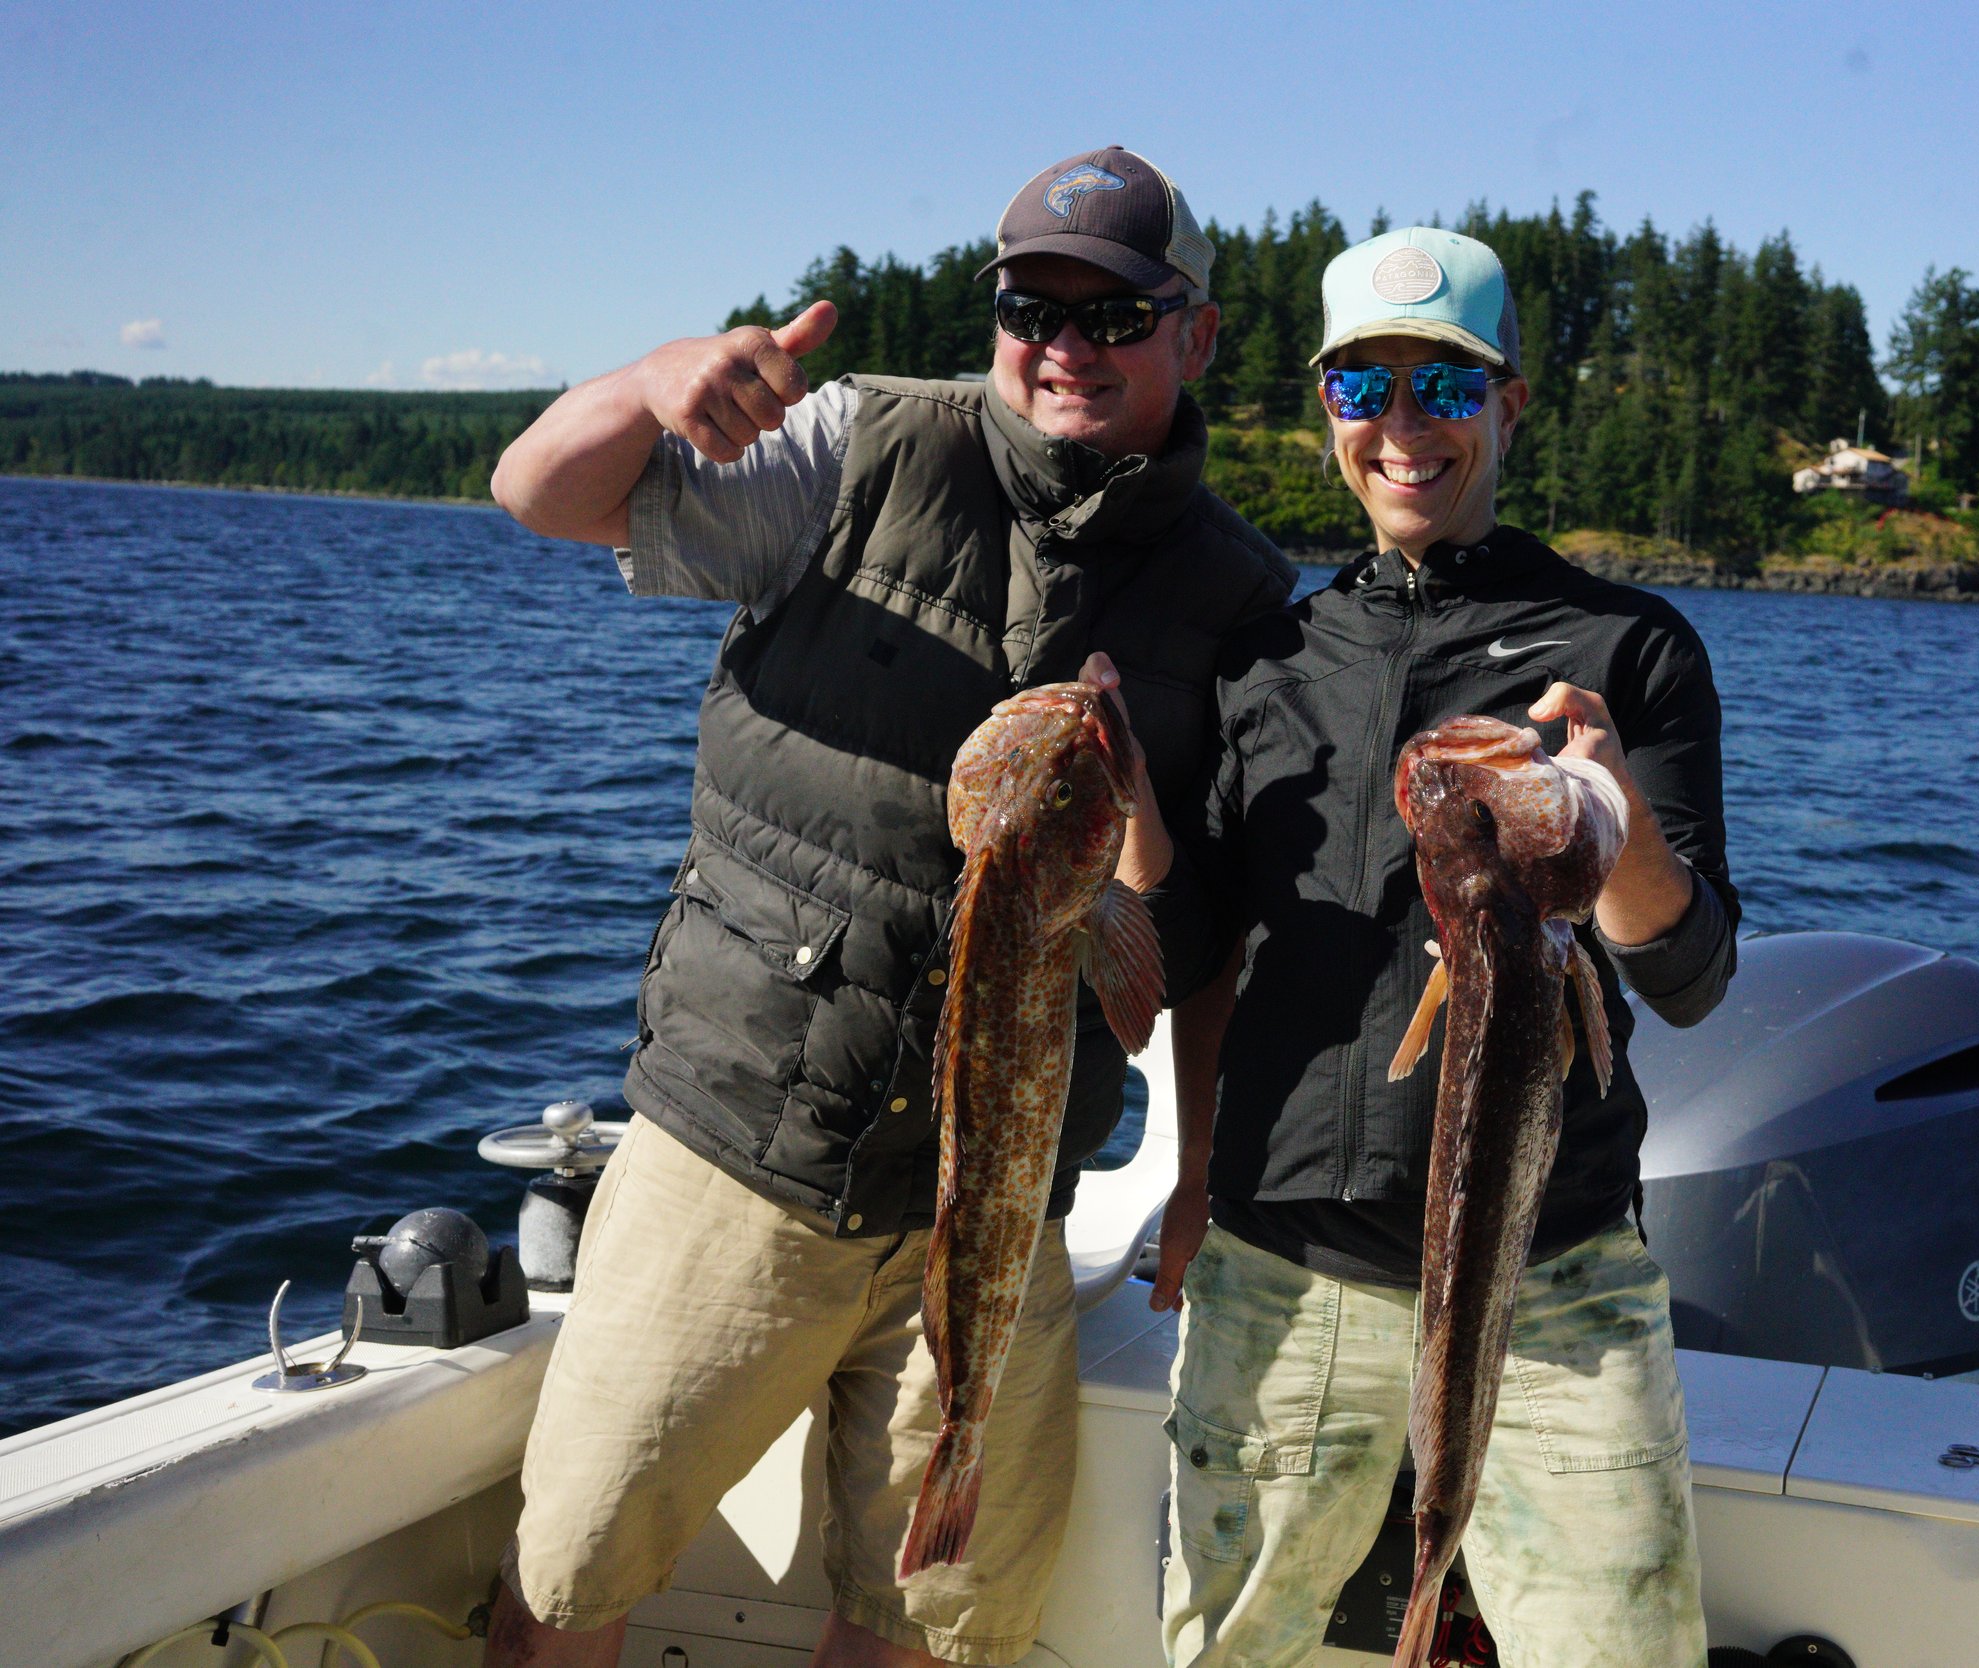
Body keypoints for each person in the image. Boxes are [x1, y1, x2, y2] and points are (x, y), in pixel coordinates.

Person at [482, 146, 1294, 1668]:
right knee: (573, 1571)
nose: (1065, 344)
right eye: (1030, 304)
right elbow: (539, 491)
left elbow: (1205, 948)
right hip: (741, 1150)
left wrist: (1201, 1177)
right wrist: (658, 379)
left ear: (1195, 334)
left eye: (1115, 316)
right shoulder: (860, 449)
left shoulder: (1240, 597)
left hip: (993, 1207)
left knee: (936, 1615)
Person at [1149, 227, 1740, 1668]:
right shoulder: (1268, 664)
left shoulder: (1627, 650)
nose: (1404, 430)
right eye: (1365, 390)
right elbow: (1196, 964)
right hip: (1282, 1273)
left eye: (1449, 391)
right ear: (1326, 415)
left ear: (1515, 404)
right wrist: (1185, 1177)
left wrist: (1608, 816)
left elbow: (1688, 972)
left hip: (1558, 1281)